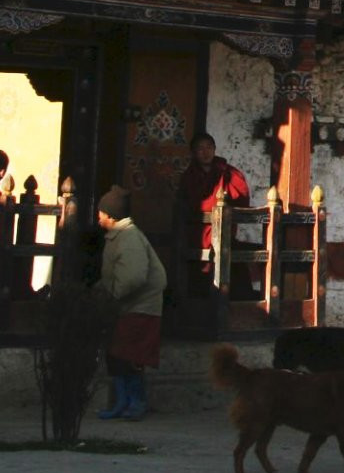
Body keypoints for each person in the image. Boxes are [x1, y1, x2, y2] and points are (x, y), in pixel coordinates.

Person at [94, 185, 166, 421]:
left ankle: (135, 402)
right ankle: (123, 402)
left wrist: (113, 295)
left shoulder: (128, 237)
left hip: (139, 308)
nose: (98, 216)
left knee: (131, 358)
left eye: (101, 212)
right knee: (118, 356)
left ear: (111, 215)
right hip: (130, 308)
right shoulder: (120, 236)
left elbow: (133, 277)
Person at [177, 132, 250, 295]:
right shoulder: (189, 177)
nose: (205, 152)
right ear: (193, 152)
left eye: (209, 147)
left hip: (225, 237)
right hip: (198, 237)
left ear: (215, 149)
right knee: (200, 283)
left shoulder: (228, 174)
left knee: (233, 278)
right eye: (200, 148)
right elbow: (184, 205)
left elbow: (242, 200)